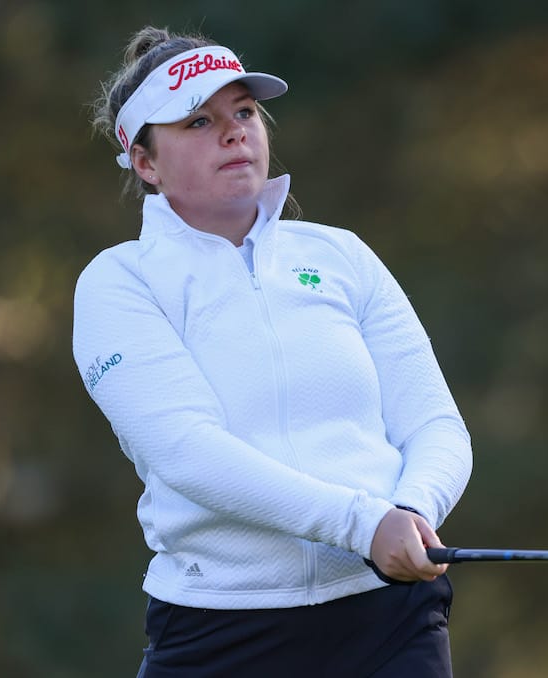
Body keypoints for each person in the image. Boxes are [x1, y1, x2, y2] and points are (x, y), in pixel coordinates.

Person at [73, 26, 473, 677]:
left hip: (390, 620)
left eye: (244, 112)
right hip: (219, 632)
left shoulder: (341, 255)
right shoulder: (119, 283)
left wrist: (411, 512)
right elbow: (188, 452)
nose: (234, 133)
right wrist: (363, 526)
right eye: (199, 121)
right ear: (145, 163)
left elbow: (435, 424)